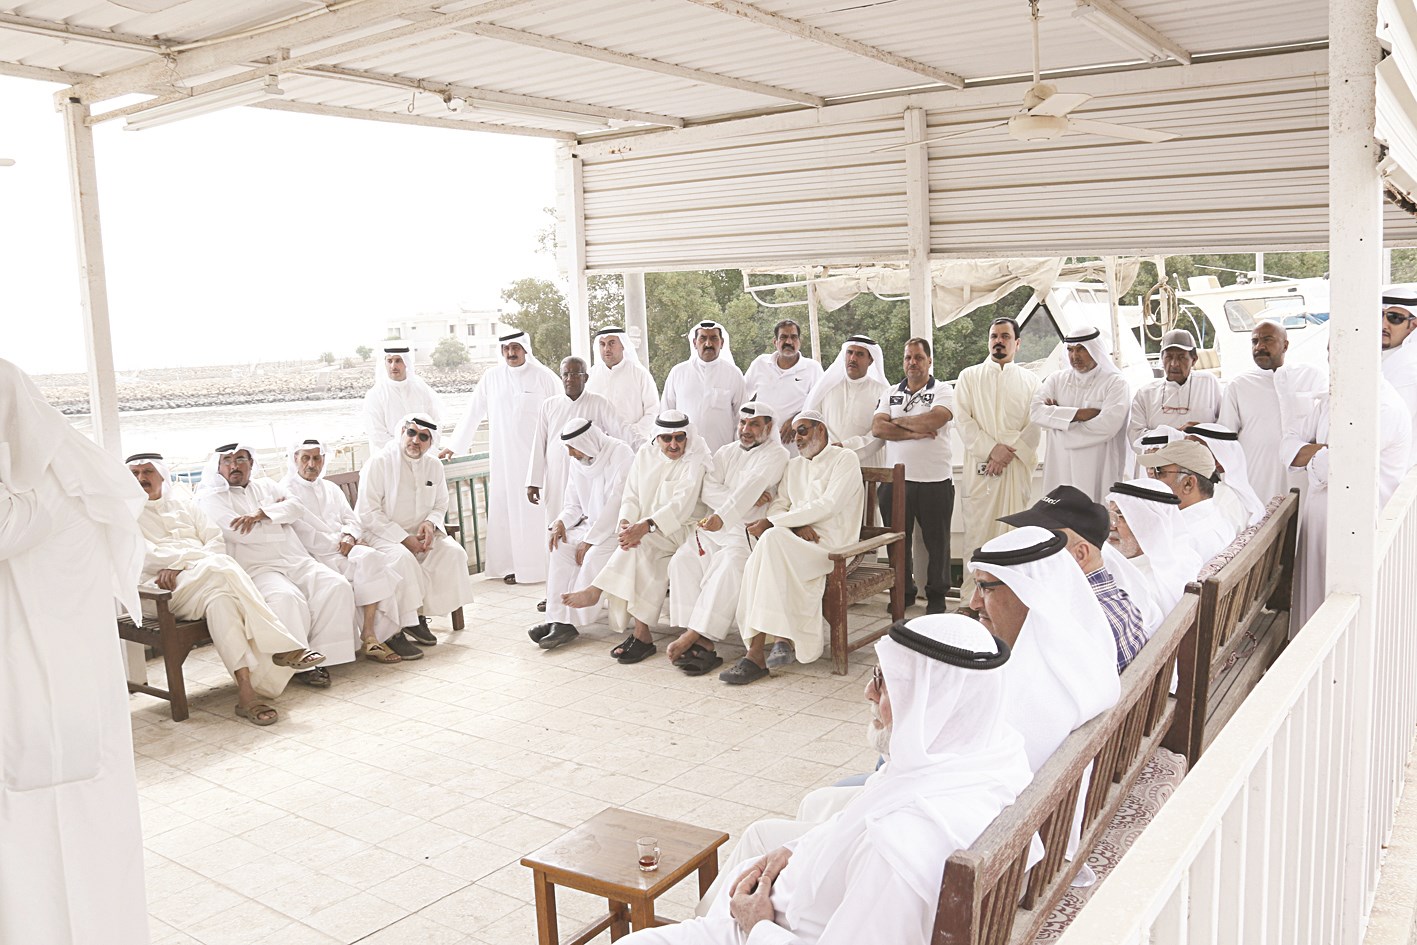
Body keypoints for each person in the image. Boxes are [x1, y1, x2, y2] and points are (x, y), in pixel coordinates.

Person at [628, 615, 1031, 945]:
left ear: (930, 703)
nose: (868, 694)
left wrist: (757, 925)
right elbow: (856, 821)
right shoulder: (975, 759)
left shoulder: (900, 842)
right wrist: (795, 849)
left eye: (884, 682)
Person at [0, 358, 148, 945]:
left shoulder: (48, 487)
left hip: (49, 708)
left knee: (67, 850)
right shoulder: (51, 473)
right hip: (52, 702)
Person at [128, 452, 314, 721]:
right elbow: (148, 557)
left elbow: (215, 540)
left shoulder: (185, 504)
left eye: (147, 472)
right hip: (159, 592)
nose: (141, 479)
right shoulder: (127, 515)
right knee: (222, 566)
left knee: (222, 602)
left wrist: (183, 565)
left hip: (204, 582)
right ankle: (282, 644)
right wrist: (190, 562)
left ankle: (248, 695)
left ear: (161, 475)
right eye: (135, 474)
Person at [195, 443, 358, 687]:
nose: (234, 466)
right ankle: (304, 666)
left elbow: (296, 507)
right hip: (259, 568)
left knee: (336, 586)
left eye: (240, 459)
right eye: (227, 461)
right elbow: (239, 533)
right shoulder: (211, 498)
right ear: (218, 466)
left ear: (251, 463)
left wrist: (261, 515)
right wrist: (280, 519)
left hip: (295, 558)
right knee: (287, 598)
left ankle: (324, 655)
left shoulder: (267, 486)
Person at [967, 526, 1121, 773]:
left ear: (1030, 592)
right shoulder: (1079, 652)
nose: (974, 603)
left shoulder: (1034, 692)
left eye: (986, 588)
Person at [726, 412, 864, 684]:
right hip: (794, 540)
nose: (797, 438)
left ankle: (767, 647)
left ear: (821, 429)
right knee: (769, 545)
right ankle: (772, 645)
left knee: (768, 544)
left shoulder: (845, 459)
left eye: (802, 431)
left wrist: (778, 523)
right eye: (794, 433)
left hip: (832, 547)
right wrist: (793, 526)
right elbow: (780, 504)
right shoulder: (794, 466)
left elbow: (829, 505)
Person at [561, 411, 709, 664]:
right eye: (666, 439)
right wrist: (626, 522)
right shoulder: (645, 455)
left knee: (640, 545)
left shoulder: (696, 459)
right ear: (657, 438)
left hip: (684, 529)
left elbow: (681, 505)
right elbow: (631, 495)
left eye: (679, 438)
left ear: (688, 437)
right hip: (648, 527)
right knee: (635, 546)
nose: (673, 445)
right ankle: (640, 633)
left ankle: (605, 598)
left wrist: (646, 525)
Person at [665, 403, 790, 676]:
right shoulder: (725, 452)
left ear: (768, 427)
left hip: (747, 531)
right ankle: (696, 642)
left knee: (730, 566)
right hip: (716, 527)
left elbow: (751, 487)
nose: (746, 430)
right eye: (743, 423)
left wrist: (730, 510)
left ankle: (699, 636)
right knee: (682, 560)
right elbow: (709, 489)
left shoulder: (776, 454)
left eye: (754, 424)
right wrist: (732, 505)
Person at [1281, 375, 1412, 627]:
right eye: (1331, 351)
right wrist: (1327, 450)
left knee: (1346, 619)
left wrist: (1314, 453)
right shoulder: (1333, 398)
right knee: (1313, 613)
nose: (1334, 359)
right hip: (1319, 529)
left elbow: (1332, 466)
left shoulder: (1385, 408)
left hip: (1357, 533)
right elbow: (1287, 445)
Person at [281, 438, 424, 663]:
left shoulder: (329, 488)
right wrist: (343, 542)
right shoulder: (286, 492)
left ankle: (371, 634)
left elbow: (351, 519)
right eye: (305, 458)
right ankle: (383, 635)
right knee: (377, 568)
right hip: (316, 556)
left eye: (316, 458)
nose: (311, 464)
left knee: (375, 559)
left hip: (345, 548)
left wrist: (350, 535)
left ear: (323, 460)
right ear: (295, 460)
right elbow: (304, 535)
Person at [447, 329, 559, 584]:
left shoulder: (543, 377)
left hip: (536, 460)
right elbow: (473, 412)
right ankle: (511, 567)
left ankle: (540, 568)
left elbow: (559, 414)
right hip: (504, 460)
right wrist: (455, 445)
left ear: (525, 349)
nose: (510, 353)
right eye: (506, 349)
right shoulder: (491, 377)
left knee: (533, 515)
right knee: (505, 511)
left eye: (515, 348)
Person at [999, 486, 1151, 670]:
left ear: (1080, 554)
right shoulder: (1114, 598)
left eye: (1043, 541)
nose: (1027, 550)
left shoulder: (1073, 622)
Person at [953, 317, 1042, 612]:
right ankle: (970, 600)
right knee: (978, 535)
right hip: (982, 472)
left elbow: (1035, 424)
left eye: (1005, 336)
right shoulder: (969, 376)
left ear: (1017, 343)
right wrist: (992, 450)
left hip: (1014, 471)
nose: (998, 341)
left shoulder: (1031, 381)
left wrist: (1008, 452)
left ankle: (1008, 600)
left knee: (1012, 535)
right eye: (994, 336)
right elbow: (963, 421)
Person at [357, 415, 477, 630]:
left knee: (453, 553)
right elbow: (369, 512)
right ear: (402, 433)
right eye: (411, 433)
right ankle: (408, 622)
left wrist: (430, 523)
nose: (415, 440)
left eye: (423, 437)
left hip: (422, 535)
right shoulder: (379, 462)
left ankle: (422, 614)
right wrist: (403, 538)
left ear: (431, 443)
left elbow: (441, 504)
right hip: (383, 536)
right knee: (403, 559)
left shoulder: (434, 465)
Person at [534, 418, 636, 650]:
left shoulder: (621, 453)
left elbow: (616, 503)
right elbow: (574, 504)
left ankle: (570, 622)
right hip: (589, 525)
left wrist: (590, 541)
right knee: (559, 547)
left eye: (573, 447)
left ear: (587, 441)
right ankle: (556, 618)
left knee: (591, 558)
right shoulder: (579, 461)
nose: (570, 454)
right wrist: (561, 521)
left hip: (615, 529)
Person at [871, 338, 955, 614]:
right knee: (897, 543)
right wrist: (915, 432)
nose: (913, 363)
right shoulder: (891, 392)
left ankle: (936, 596)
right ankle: (902, 592)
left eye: (918, 357)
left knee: (937, 542)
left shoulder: (942, 390)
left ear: (929, 361)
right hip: (895, 483)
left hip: (935, 481)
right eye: (908, 358)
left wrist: (897, 421)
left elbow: (936, 419)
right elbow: (877, 429)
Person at [1217, 320, 1326, 502]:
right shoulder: (1239, 385)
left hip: (1303, 478)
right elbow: (1226, 438)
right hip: (1257, 480)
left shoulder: (1310, 376)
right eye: (1255, 341)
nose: (1259, 346)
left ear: (1285, 345)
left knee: (1303, 527)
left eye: (1267, 340)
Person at [526, 356, 630, 546]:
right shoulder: (549, 404)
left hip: (588, 476)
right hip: (556, 477)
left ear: (586, 377)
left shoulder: (599, 402)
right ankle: (556, 571)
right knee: (556, 524)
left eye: (575, 374)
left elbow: (622, 431)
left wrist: (650, 448)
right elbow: (539, 442)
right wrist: (533, 481)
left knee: (586, 520)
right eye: (565, 374)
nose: (569, 379)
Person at [1030, 326, 1131, 502]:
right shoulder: (1056, 379)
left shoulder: (1115, 383)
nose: (1074, 356)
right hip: (1060, 464)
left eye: (1081, 349)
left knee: (1096, 514)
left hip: (1098, 465)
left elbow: (1108, 427)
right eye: (1070, 349)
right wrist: (1079, 415)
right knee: (1060, 516)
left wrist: (1058, 421)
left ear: (1095, 349)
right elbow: (1036, 412)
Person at [1105, 478, 1204, 617]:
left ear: (1149, 525)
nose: (1110, 526)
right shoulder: (1185, 557)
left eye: (1120, 517)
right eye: (1110, 516)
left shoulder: (1143, 588)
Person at [1137, 439, 1237, 563]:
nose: (1152, 478)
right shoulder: (1221, 519)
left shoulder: (1180, 540)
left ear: (1188, 484)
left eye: (1160, 472)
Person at [800, 334, 888, 466]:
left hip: (866, 463)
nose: (853, 358)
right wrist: (827, 449)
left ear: (870, 360)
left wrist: (846, 446)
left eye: (859, 354)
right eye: (850, 352)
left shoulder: (883, 391)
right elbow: (812, 422)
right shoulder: (828, 387)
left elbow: (880, 434)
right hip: (827, 460)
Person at [1127, 328, 1222, 448]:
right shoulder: (1146, 393)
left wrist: (1201, 430)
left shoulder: (1208, 383)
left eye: (1182, 357)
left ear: (1194, 360)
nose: (1174, 364)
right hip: (1161, 463)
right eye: (1169, 357)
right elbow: (1135, 436)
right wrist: (1174, 436)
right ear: (1162, 358)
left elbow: (1224, 426)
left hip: (1201, 463)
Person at [661, 320, 746, 452]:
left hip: (721, 454)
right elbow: (666, 413)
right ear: (695, 343)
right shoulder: (678, 372)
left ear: (722, 343)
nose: (708, 344)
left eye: (713, 338)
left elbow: (741, 418)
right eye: (703, 338)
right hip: (685, 453)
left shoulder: (733, 374)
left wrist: (736, 452)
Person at [743, 319, 824, 449]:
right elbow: (744, 398)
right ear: (775, 342)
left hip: (795, 444)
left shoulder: (812, 368)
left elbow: (820, 406)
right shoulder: (760, 364)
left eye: (793, 337)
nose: (788, 342)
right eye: (783, 337)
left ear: (799, 341)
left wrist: (797, 419)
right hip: (762, 443)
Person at [362, 343, 446, 453]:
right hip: (389, 456)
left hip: (422, 455)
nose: (393, 366)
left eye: (398, 360)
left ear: (406, 362)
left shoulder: (420, 388)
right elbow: (376, 433)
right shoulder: (375, 394)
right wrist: (404, 451)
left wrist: (426, 448)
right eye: (389, 361)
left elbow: (435, 422)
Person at [1185, 423, 1266, 530]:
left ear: (1218, 460)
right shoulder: (1226, 492)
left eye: (1194, 451)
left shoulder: (1222, 501)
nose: (1184, 456)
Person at [586, 326, 660, 441]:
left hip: (633, 442)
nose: (606, 349)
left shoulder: (639, 374)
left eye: (611, 343)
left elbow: (653, 411)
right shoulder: (590, 375)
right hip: (599, 444)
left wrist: (630, 433)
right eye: (602, 344)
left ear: (623, 346)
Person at [1381, 284, 1417, 451]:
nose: (1383, 325)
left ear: (1413, 325)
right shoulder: (1379, 356)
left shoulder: (1408, 366)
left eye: (1394, 318)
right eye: (1379, 315)